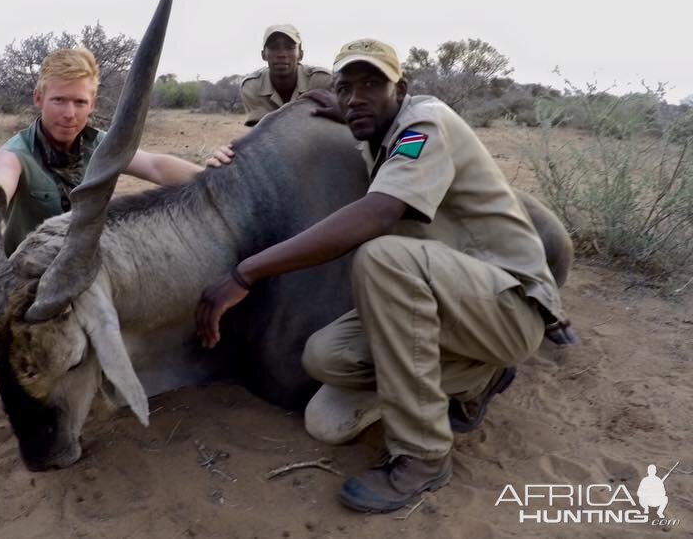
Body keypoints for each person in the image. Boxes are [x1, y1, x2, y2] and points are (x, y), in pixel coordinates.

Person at [195, 38, 568, 513]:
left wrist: (245, 273)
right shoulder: (379, 136)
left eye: (372, 84)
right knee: (324, 357)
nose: (355, 98)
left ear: (402, 88)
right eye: (346, 88)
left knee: (381, 257)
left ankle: (424, 457)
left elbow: (378, 213)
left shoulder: (424, 123)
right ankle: (476, 380)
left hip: (508, 303)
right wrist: (349, 113)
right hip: (454, 305)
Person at [0, 47, 224, 254]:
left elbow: (154, 166)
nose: (70, 114)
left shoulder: (102, 145)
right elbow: (1, 184)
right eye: (59, 100)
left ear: (92, 104)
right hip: (30, 269)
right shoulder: (15, 153)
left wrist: (217, 179)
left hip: (87, 261)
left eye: (80, 102)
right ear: (38, 99)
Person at [240, 24, 331, 126]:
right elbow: (262, 133)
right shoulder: (252, 87)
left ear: (300, 54)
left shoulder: (323, 81)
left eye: (289, 47)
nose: (281, 54)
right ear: (263, 54)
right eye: (273, 47)